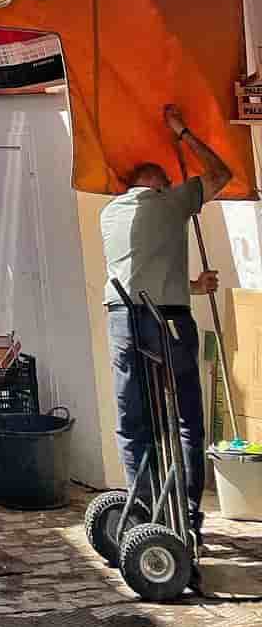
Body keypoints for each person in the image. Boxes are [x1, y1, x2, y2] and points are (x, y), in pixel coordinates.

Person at [101, 103, 231, 537]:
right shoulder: (170, 202)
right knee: (185, 419)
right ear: (157, 184)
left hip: (123, 316)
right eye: (169, 181)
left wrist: (192, 284)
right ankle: (188, 519)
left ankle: (143, 513)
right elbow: (220, 174)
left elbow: (141, 275)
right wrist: (182, 132)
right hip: (168, 322)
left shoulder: (111, 214)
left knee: (132, 418)